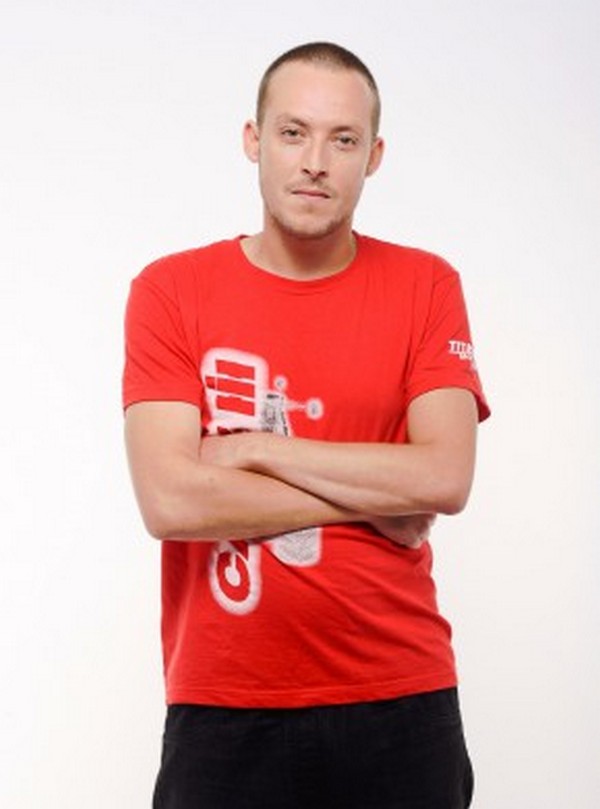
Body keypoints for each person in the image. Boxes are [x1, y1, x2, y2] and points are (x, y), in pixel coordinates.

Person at [123, 41, 490, 809]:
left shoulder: (426, 285)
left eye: (343, 139)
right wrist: (381, 500)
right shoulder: (170, 290)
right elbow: (171, 500)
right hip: (224, 704)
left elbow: (444, 477)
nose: (315, 162)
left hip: (401, 697)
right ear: (253, 140)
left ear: (374, 156)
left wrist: (256, 448)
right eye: (293, 133)